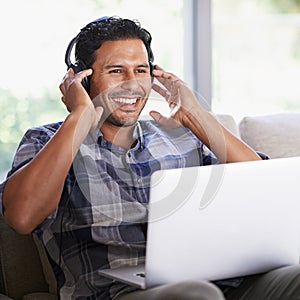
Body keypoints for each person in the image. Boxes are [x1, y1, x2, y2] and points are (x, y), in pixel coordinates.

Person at [0, 16, 300, 300]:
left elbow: (264, 191)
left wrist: (196, 116)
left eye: (141, 70)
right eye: (116, 70)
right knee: (197, 295)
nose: (132, 83)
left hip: (222, 282)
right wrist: (79, 117)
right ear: (82, 79)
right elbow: (22, 217)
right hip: (119, 293)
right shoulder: (48, 141)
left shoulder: (179, 137)